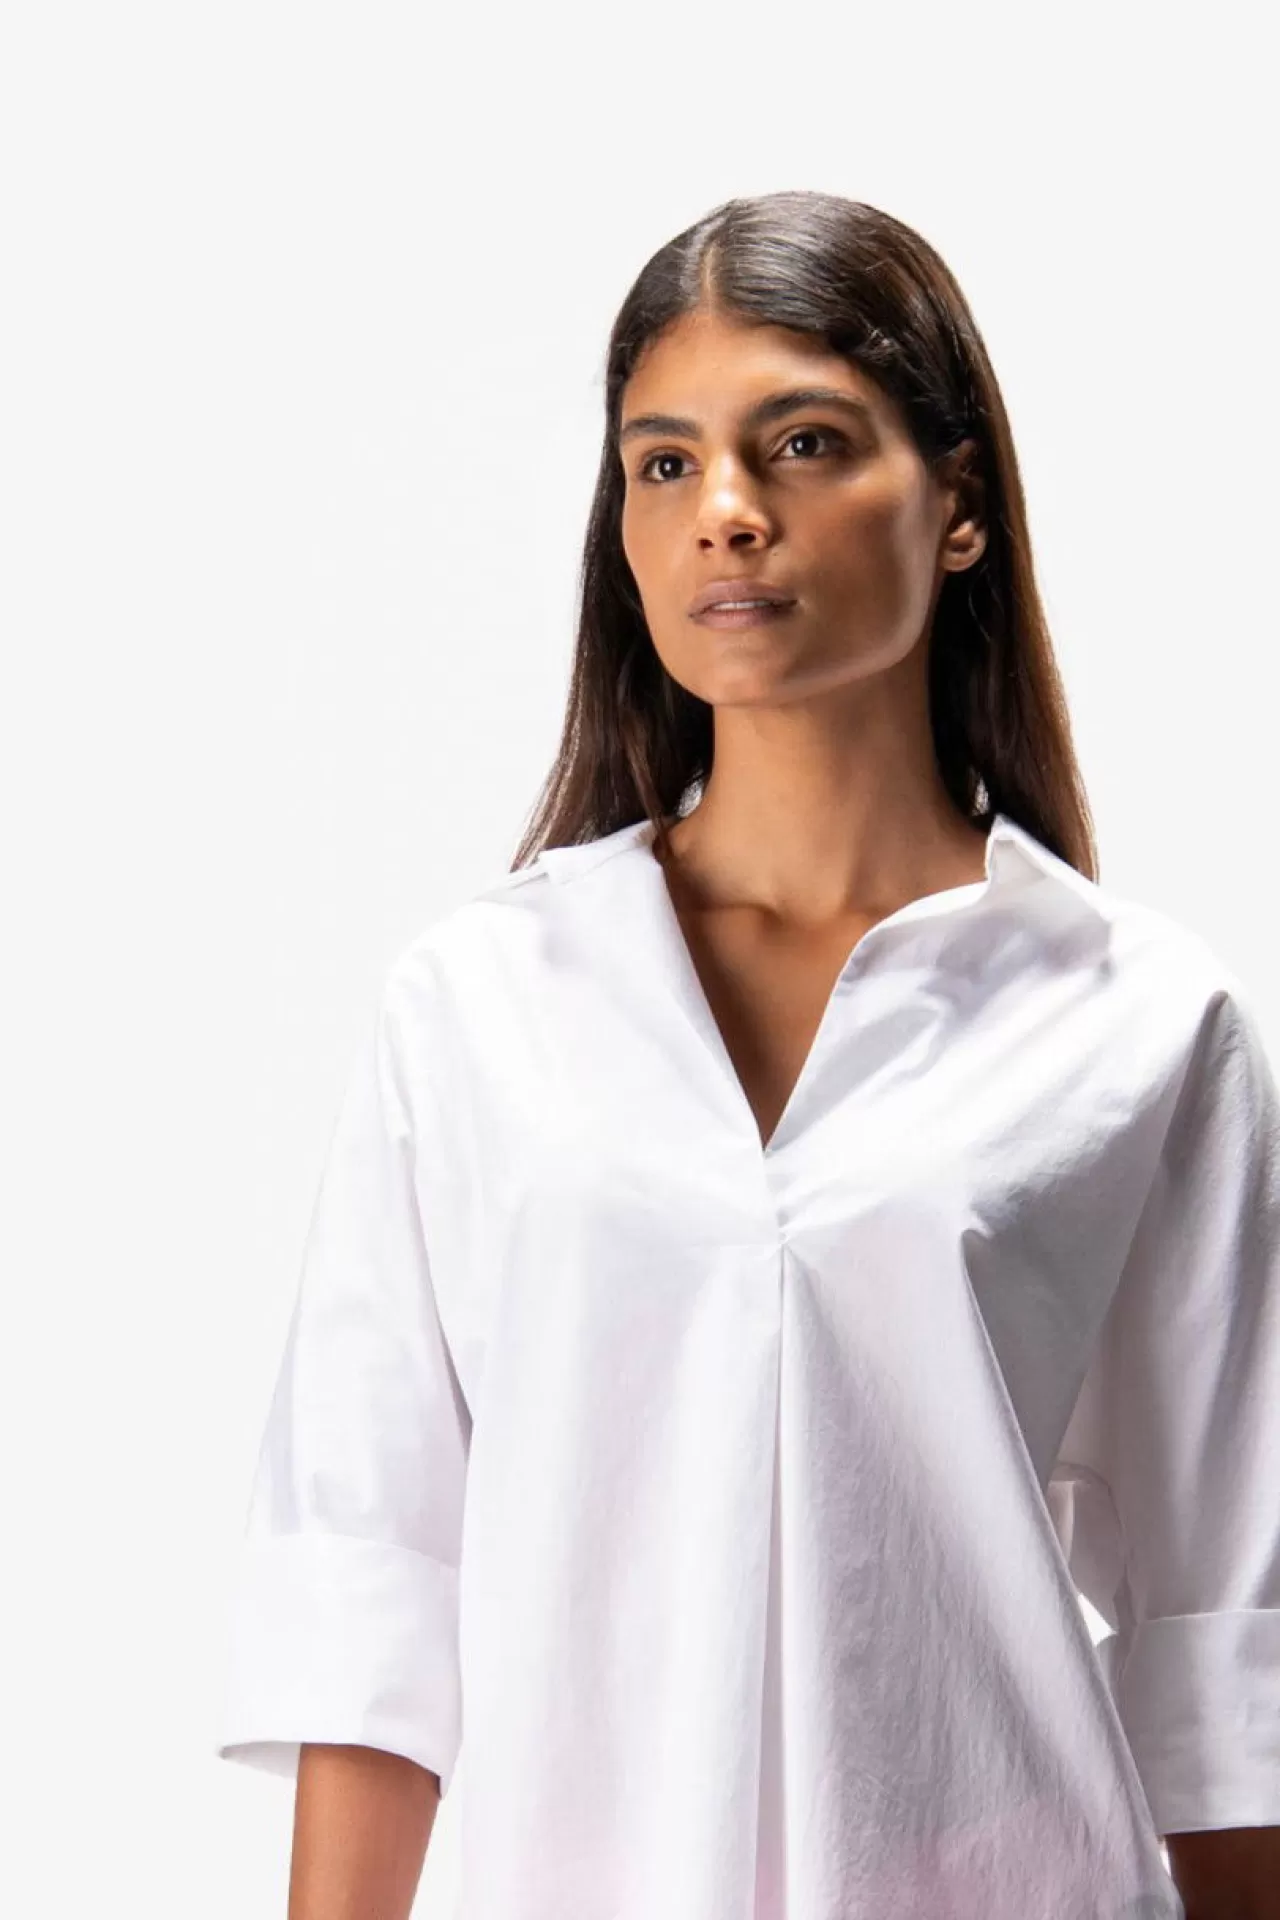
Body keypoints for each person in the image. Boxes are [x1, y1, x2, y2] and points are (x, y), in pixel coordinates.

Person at [215, 190, 1280, 1919]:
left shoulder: (1141, 1021)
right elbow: (373, 1580)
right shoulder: (480, 1004)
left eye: (803, 444)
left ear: (958, 508)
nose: (726, 510)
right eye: (664, 463)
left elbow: (1230, 1629)